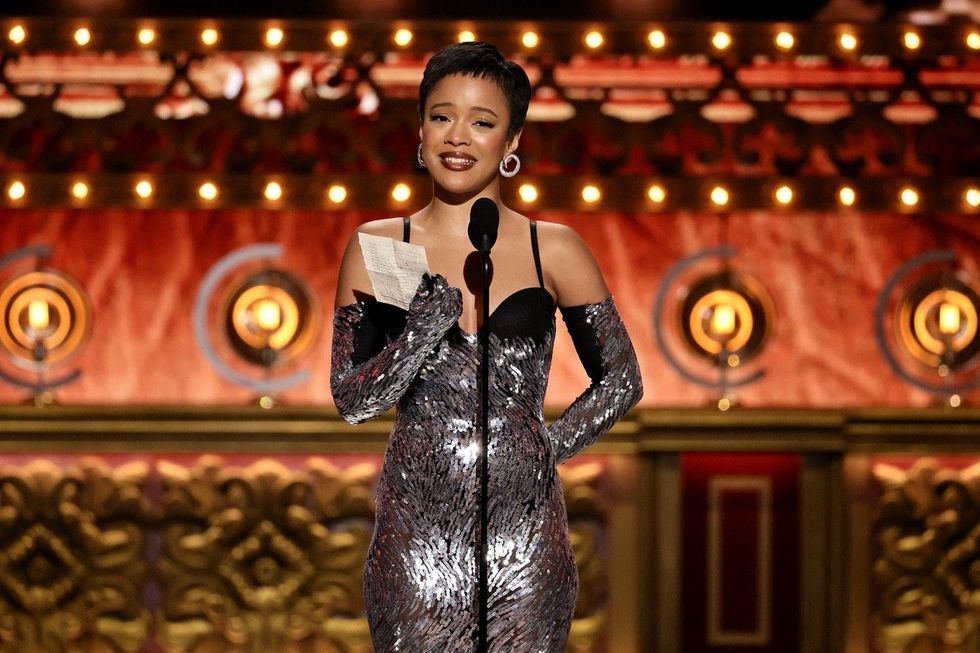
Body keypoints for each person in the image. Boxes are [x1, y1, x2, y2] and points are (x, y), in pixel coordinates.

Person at [330, 41, 642, 652]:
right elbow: (353, 399)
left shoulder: (552, 248)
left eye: (482, 122)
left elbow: (622, 379)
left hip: (523, 539)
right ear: (420, 131)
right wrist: (420, 331)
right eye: (441, 116)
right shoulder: (386, 246)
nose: (457, 137)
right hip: (417, 538)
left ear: (511, 140)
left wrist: (540, 447)